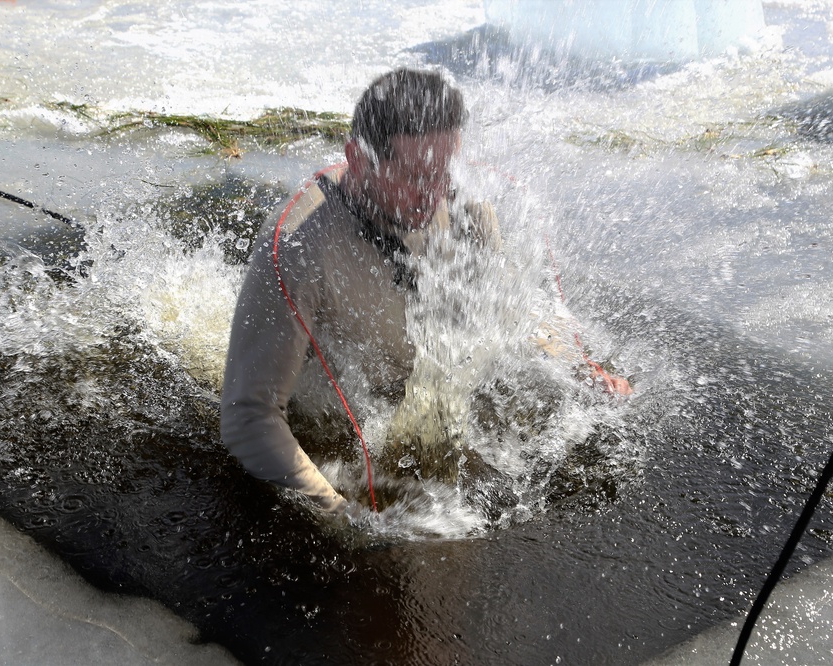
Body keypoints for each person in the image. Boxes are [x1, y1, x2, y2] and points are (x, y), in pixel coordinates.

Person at [220, 68, 628, 514]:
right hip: (330, 414)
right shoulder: (298, 246)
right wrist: (338, 513)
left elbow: (514, 312)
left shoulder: (465, 209)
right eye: (415, 175)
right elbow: (249, 415)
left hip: (413, 396)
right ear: (358, 158)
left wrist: (580, 367)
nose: (435, 194)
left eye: (443, 170)